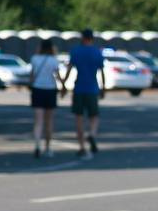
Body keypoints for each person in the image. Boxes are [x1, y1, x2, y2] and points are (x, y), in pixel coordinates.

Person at [63, 29, 104, 159]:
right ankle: (92, 133)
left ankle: (81, 146)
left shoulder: (76, 51)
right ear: (92, 38)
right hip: (92, 88)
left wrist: (64, 84)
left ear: (82, 38)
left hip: (79, 88)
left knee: (78, 118)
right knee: (94, 115)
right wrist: (103, 88)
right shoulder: (97, 52)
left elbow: (69, 69)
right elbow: (101, 71)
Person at [29, 39, 62, 158]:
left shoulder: (35, 59)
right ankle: (47, 148)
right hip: (50, 90)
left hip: (37, 90)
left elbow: (32, 76)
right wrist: (63, 86)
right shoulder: (54, 60)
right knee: (49, 122)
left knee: (38, 121)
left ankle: (37, 145)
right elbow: (58, 76)